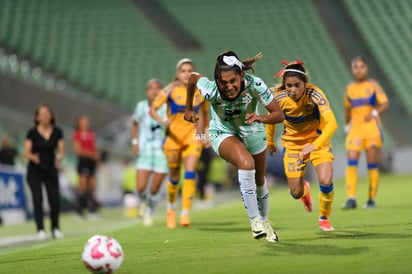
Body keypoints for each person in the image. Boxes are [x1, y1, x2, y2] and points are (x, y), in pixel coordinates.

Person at [185, 51, 284, 243]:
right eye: (223, 82)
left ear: (241, 76)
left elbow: (279, 115)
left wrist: (261, 117)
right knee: (246, 164)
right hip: (223, 133)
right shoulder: (211, 90)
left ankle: (264, 221)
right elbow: (191, 78)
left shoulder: (255, 84)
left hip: (253, 130)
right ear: (217, 80)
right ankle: (255, 221)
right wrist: (188, 108)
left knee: (260, 180)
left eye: (233, 81)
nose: (228, 86)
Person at [266, 60, 338, 231]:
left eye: (297, 85)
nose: (292, 89)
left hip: (317, 142)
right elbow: (272, 119)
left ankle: (324, 218)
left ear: (305, 83)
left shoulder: (315, 94)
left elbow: (332, 123)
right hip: (292, 146)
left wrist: (315, 145)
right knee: (295, 193)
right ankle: (304, 193)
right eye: (289, 85)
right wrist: (269, 141)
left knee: (326, 180)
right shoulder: (279, 97)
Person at [150, 58, 208, 229]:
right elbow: (152, 108)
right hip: (173, 138)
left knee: (190, 171)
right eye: (183, 70)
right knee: (174, 176)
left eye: (190, 70)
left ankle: (185, 213)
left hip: (192, 137)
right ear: (177, 73)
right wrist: (163, 120)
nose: (187, 73)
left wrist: (205, 133)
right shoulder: (170, 89)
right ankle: (170, 209)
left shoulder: (199, 91)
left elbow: (205, 113)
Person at [342, 56, 389, 209]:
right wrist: (346, 125)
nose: (359, 69)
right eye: (356, 67)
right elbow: (347, 109)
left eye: (362, 66)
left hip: (372, 129)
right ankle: (351, 198)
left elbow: (384, 104)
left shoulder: (373, 85)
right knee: (352, 162)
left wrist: (374, 113)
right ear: (352, 69)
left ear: (366, 68)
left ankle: (371, 199)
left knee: (372, 164)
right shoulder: (349, 88)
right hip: (355, 129)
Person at [24, 104, 65, 239]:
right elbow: (26, 152)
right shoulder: (32, 132)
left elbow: (61, 151)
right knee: (38, 198)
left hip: (51, 169)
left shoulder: (57, 131)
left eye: (47, 113)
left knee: (54, 199)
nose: (44, 116)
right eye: (41, 113)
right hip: (35, 170)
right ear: (37, 117)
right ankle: (40, 229)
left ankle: (55, 228)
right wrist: (33, 157)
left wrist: (58, 159)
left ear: (51, 115)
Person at [131, 78, 168, 226]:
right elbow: (134, 123)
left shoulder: (167, 107)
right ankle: (141, 202)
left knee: (154, 188)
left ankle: (149, 213)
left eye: (157, 88)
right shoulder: (141, 107)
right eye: (151, 88)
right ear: (147, 92)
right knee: (140, 187)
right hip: (145, 150)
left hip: (162, 152)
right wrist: (134, 142)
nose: (154, 91)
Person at [72, 114, 99, 219]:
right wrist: (90, 154)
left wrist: (98, 160)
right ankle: (79, 211)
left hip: (91, 162)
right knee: (82, 186)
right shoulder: (77, 134)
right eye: (83, 121)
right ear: (79, 123)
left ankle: (92, 209)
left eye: (86, 121)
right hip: (83, 161)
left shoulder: (92, 134)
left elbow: (94, 148)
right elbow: (78, 150)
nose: (85, 123)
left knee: (92, 186)